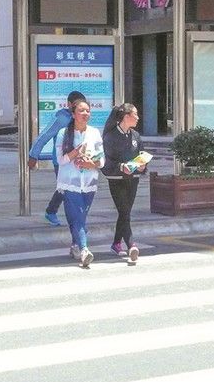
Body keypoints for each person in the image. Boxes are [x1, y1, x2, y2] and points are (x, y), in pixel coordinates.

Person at [55, 99, 104, 268]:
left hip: (89, 182)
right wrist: (76, 152)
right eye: (81, 111)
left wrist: (91, 163)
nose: (85, 114)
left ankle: (75, 245)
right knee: (78, 217)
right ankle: (84, 250)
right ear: (73, 114)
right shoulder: (63, 133)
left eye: (87, 111)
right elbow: (60, 160)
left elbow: (102, 159)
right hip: (70, 182)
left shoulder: (94, 133)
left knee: (78, 218)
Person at [27, 90, 86, 227]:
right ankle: (59, 215)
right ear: (69, 104)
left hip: (77, 160)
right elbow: (44, 136)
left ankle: (53, 211)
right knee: (67, 188)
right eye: (76, 105)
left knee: (72, 187)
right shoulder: (62, 119)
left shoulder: (82, 118)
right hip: (61, 161)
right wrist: (33, 155)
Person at [101, 103, 146, 262]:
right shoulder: (110, 136)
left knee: (125, 212)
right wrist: (121, 167)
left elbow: (141, 154)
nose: (138, 118)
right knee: (124, 210)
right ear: (126, 116)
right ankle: (131, 244)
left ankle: (116, 243)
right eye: (135, 114)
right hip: (117, 179)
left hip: (133, 179)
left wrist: (142, 166)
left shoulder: (136, 136)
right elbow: (106, 162)